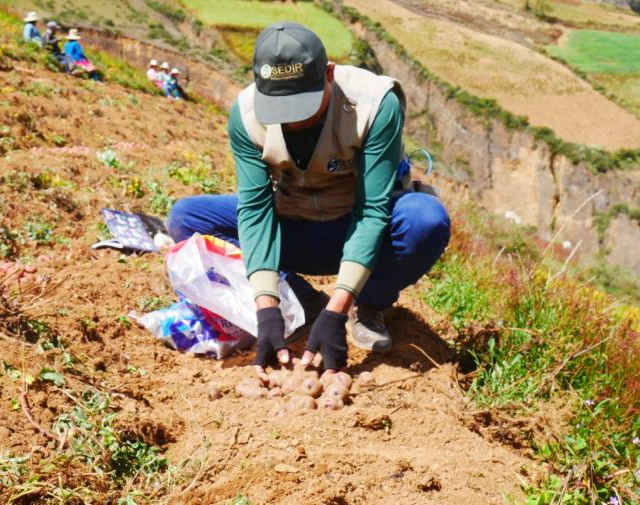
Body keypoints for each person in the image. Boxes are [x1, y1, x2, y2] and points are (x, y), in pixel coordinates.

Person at [167, 21, 450, 377]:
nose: (293, 120)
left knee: (425, 220)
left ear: (329, 74)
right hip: (295, 227)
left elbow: (372, 211)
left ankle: (367, 305)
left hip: (361, 230)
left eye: (302, 105)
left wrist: (338, 310)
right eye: (280, 108)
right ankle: (300, 298)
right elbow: (255, 210)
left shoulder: (374, 105)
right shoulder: (247, 114)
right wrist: (267, 306)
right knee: (188, 219)